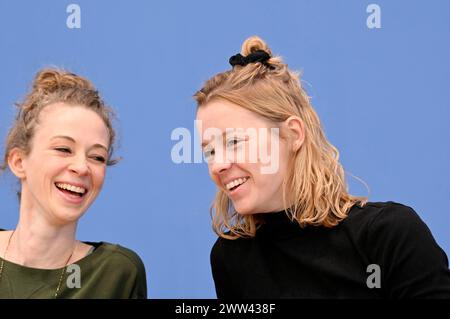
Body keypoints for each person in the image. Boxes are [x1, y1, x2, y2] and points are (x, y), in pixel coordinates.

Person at [194, 36, 450, 298]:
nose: (219, 165)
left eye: (234, 141)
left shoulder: (388, 235)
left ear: (293, 134)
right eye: (209, 151)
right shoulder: (231, 258)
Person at [0, 68, 147, 298]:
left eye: (97, 157)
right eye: (63, 149)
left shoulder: (116, 274)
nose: (81, 167)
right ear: (19, 161)